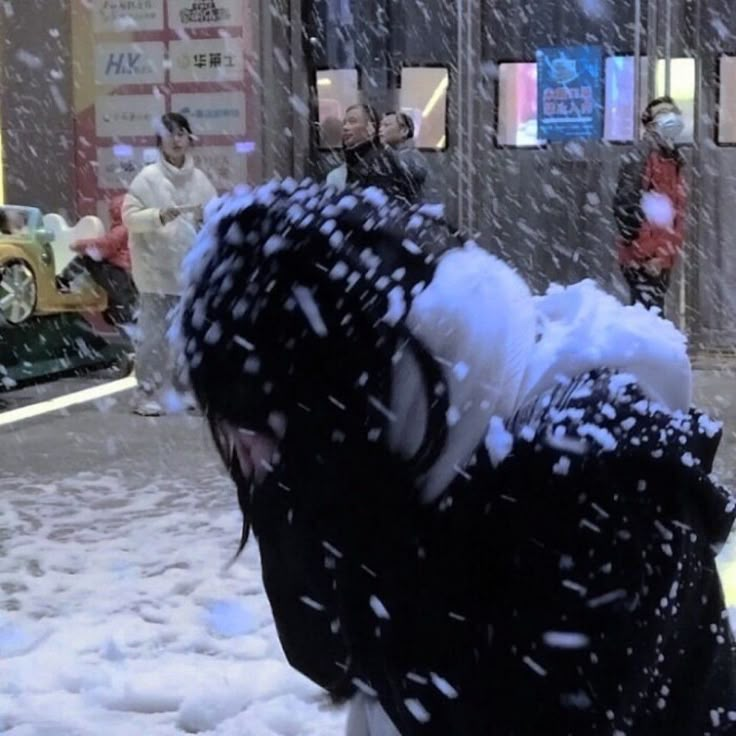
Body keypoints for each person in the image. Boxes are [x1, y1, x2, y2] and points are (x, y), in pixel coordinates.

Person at [177, 180, 736, 736]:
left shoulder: (588, 495)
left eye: (251, 419)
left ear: (335, 393)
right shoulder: (405, 450)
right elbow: (329, 651)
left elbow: (466, 693)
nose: (241, 445)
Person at [123, 112, 217, 416]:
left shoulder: (200, 180)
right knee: (152, 336)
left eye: (181, 133)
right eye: (170, 133)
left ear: (190, 138)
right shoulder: (147, 178)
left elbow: (213, 215)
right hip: (155, 270)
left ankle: (184, 388)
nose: (176, 140)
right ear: (160, 140)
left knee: (186, 335)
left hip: (188, 271)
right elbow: (129, 218)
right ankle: (144, 391)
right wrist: (158, 216)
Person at [613, 96, 686, 316]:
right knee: (646, 320)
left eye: (673, 113)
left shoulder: (674, 159)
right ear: (650, 123)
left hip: (661, 260)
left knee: (652, 320)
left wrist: (664, 256)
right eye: (663, 114)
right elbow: (627, 206)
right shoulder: (641, 157)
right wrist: (643, 256)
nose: (671, 118)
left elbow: (676, 215)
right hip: (643, 261)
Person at [61, 195, 137, 326]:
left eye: (112, 210)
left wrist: (79, 245)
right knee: (123, 300)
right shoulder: (134, 229)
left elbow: (105, 246)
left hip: (117, 271)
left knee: (87, 259)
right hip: (128, 274)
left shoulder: (122, 229)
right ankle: (125, 317)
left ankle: (62, 281)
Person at [326, 104, 416, 204]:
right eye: (344, 123)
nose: (345, 127)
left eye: (352, 121)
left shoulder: (379, 160)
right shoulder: (357, 159)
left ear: (370, 127)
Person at [380, 111, 428, 200]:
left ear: (404, 131)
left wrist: (387, 150)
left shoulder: (414, 156)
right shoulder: (382, 154)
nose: (380, 129)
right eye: (381, 126)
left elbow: (410, 174)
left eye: (386, 125)